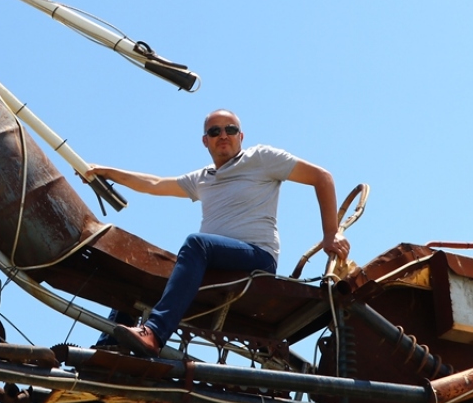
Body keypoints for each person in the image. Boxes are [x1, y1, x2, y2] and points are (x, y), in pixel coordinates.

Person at [87, 109, 350, 357]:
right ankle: (109, 350)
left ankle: (154, 333)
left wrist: (331, 233)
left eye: (230, 129)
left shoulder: (261, 158)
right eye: (215, 132)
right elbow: (154, 183)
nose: (223, 135)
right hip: (212, 260)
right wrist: (108, 172)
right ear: (205, 141)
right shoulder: (203, 178)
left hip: (257, 258)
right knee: (142, 273)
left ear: (240, 136)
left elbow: (321, 177)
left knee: (196, 244)